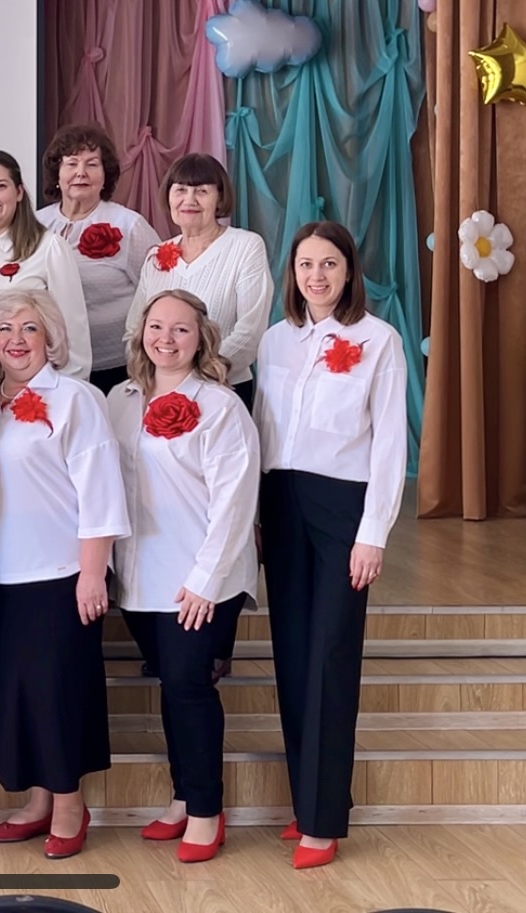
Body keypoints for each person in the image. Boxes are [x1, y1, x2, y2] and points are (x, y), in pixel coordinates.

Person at [254, 221, 406, 870]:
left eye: (329, 264)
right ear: (292, 273)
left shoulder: (379, 340)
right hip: (280, 501)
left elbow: (390, 443)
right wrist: (254, 515)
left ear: (349, 271)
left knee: (332, 653)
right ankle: (310, 800)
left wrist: (373, 533)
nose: (316, 276)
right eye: (306, 264)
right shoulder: (274, 340)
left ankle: (323, 823)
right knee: (293, 654)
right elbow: (260, 430)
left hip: (342, 506)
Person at [0, 289, 129, 861]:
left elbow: (101, 490)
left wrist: (93, 573)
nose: (16, 339)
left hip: (61, 571)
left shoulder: (77, 399)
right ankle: (38, 801)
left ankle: (68, 804)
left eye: (29, 328)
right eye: (5, 329)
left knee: (58, 693)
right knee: (17, 694)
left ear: (51, 338)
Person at [108, 289, 259, 865]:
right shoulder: (120, 399)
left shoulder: (220, 407)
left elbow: (235, 504)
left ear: (201, 340)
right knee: (171, 686)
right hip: (139, 576)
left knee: (189, 687)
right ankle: (182, 796)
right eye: (156, 326)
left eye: (181, 329)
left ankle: (206, 811)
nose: (166, 339)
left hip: (199, 577)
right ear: (141, 331)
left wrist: (204, 580)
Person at [125, 153, 273, 408]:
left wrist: (191, 378)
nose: (189, 200)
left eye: (202, 191)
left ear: (220, 198)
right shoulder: (156, 256)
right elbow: (133, 331)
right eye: (180, 190)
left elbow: (249, 333)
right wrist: (155, 378)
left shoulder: (246, 246)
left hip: (224, 389)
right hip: (158, 392)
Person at [36, 125, 161, 393]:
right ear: (57, 174)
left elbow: (159, 293)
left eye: (92, 164)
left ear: (105, 176)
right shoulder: (36, 224)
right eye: (71, 163)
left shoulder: (129, 225)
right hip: (48, 367)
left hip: (117, 368)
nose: (81, 172)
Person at [0, 151, 91, 383]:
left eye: (0, 186)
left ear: (19, 192)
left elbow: (73, 332)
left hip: (29, 381)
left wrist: (70, 390)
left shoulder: (49, 248)